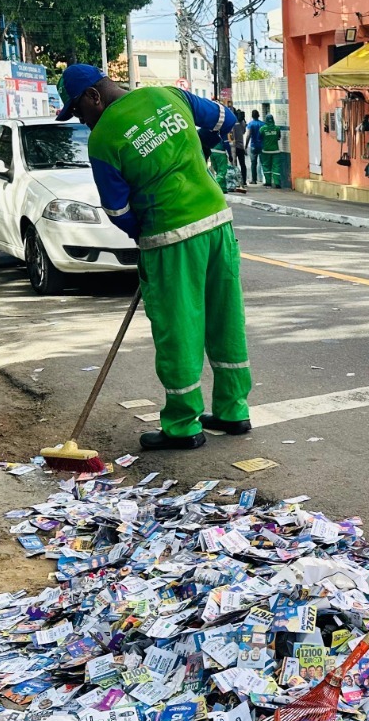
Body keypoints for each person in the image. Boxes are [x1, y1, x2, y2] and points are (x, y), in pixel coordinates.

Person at [55, 63, 252, 451]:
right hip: (216, 221)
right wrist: (200, 146)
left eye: (78, 110)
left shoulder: (103, 141)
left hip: (169, 236)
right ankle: (233, 410)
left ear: (94, 96)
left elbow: (117, 209)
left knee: (179, 328)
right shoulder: (169, 95)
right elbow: (226, 119)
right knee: (224, 317)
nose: (81, 120)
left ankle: (182, 425)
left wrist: (142, 234)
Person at [260, 112, 283, 187]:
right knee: (276, 167)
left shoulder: (262, 129)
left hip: (265, 151)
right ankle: (277, 183)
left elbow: (259, 138)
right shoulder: (277, 128)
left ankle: (268, 182)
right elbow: (279, 137)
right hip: (276, 151)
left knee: (266, 166)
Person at [227, 109, 248, 192]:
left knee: (234, 165)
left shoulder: (232, 122)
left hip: (234, 147)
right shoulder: (242, 123)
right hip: (241, 146)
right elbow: (243, 132)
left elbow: (230, 135)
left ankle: (236, 182)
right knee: (243, 164)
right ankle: (244, 181)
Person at [246, 109, 264, 184]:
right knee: (263, 163)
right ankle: (264, 179)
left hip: (253, 146)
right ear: (258, 115)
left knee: (254, 163)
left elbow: (248, 135)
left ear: (252, 116)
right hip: (262, 146)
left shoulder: (251, 124)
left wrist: (246, 145)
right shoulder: (263, 124)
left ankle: (254, 180)